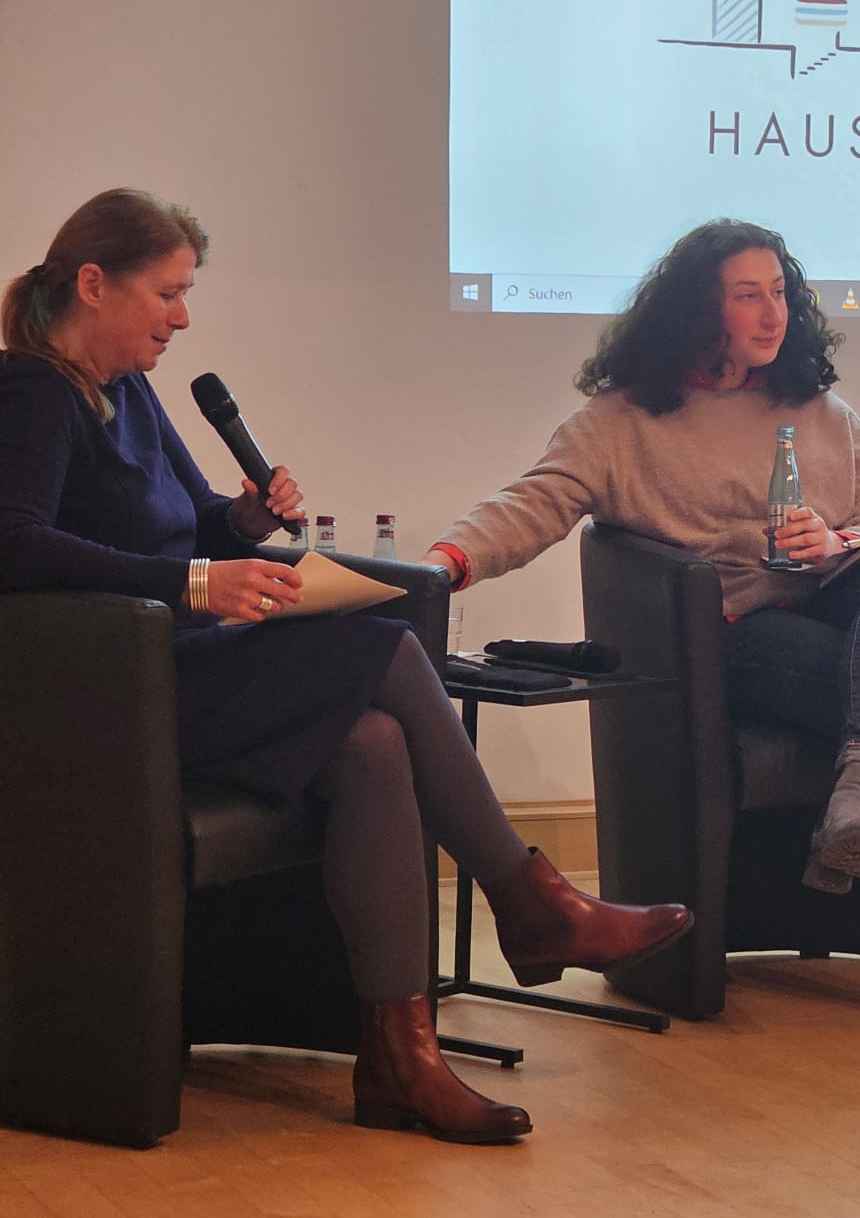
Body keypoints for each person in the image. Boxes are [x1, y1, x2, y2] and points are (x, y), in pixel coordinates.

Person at [0, 189, 693, 1144]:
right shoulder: (32, 390)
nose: (183, 316)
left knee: (372, 744)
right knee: (390, 645)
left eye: (185, 293)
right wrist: (195, 581)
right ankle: (532, 902)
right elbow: (15, 544)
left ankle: (400, 1063)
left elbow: (183, 521)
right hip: (115, 696)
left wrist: (237, 523)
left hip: (180, 667)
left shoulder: (129, 391)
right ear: (91, 283)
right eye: (166, 293)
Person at [426, 218, 860, 1046]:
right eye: (748, 295)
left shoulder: (824, 413)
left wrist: (835, 541)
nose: (772, 313)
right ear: (696, 309)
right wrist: (449, 558)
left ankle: (856, 800)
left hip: (831, 616)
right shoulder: (625, 422)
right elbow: (535, 502)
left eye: (780, 293)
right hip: (729, 642)